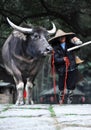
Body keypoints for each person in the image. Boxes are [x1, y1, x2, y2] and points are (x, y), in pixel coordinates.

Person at [49, 29, 83, 104]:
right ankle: (61, 99)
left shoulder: (70, 44)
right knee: (61, 84)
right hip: (61, 69)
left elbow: (78, 47)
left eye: (63, 37)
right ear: (58, 39)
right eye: (60, 37)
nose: (62, 38)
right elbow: (55, 59)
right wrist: (63, 59)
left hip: (71, 67)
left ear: (65, 37)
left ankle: (69, 100)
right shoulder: (55, 48)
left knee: (71, 84)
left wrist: (77, 41)